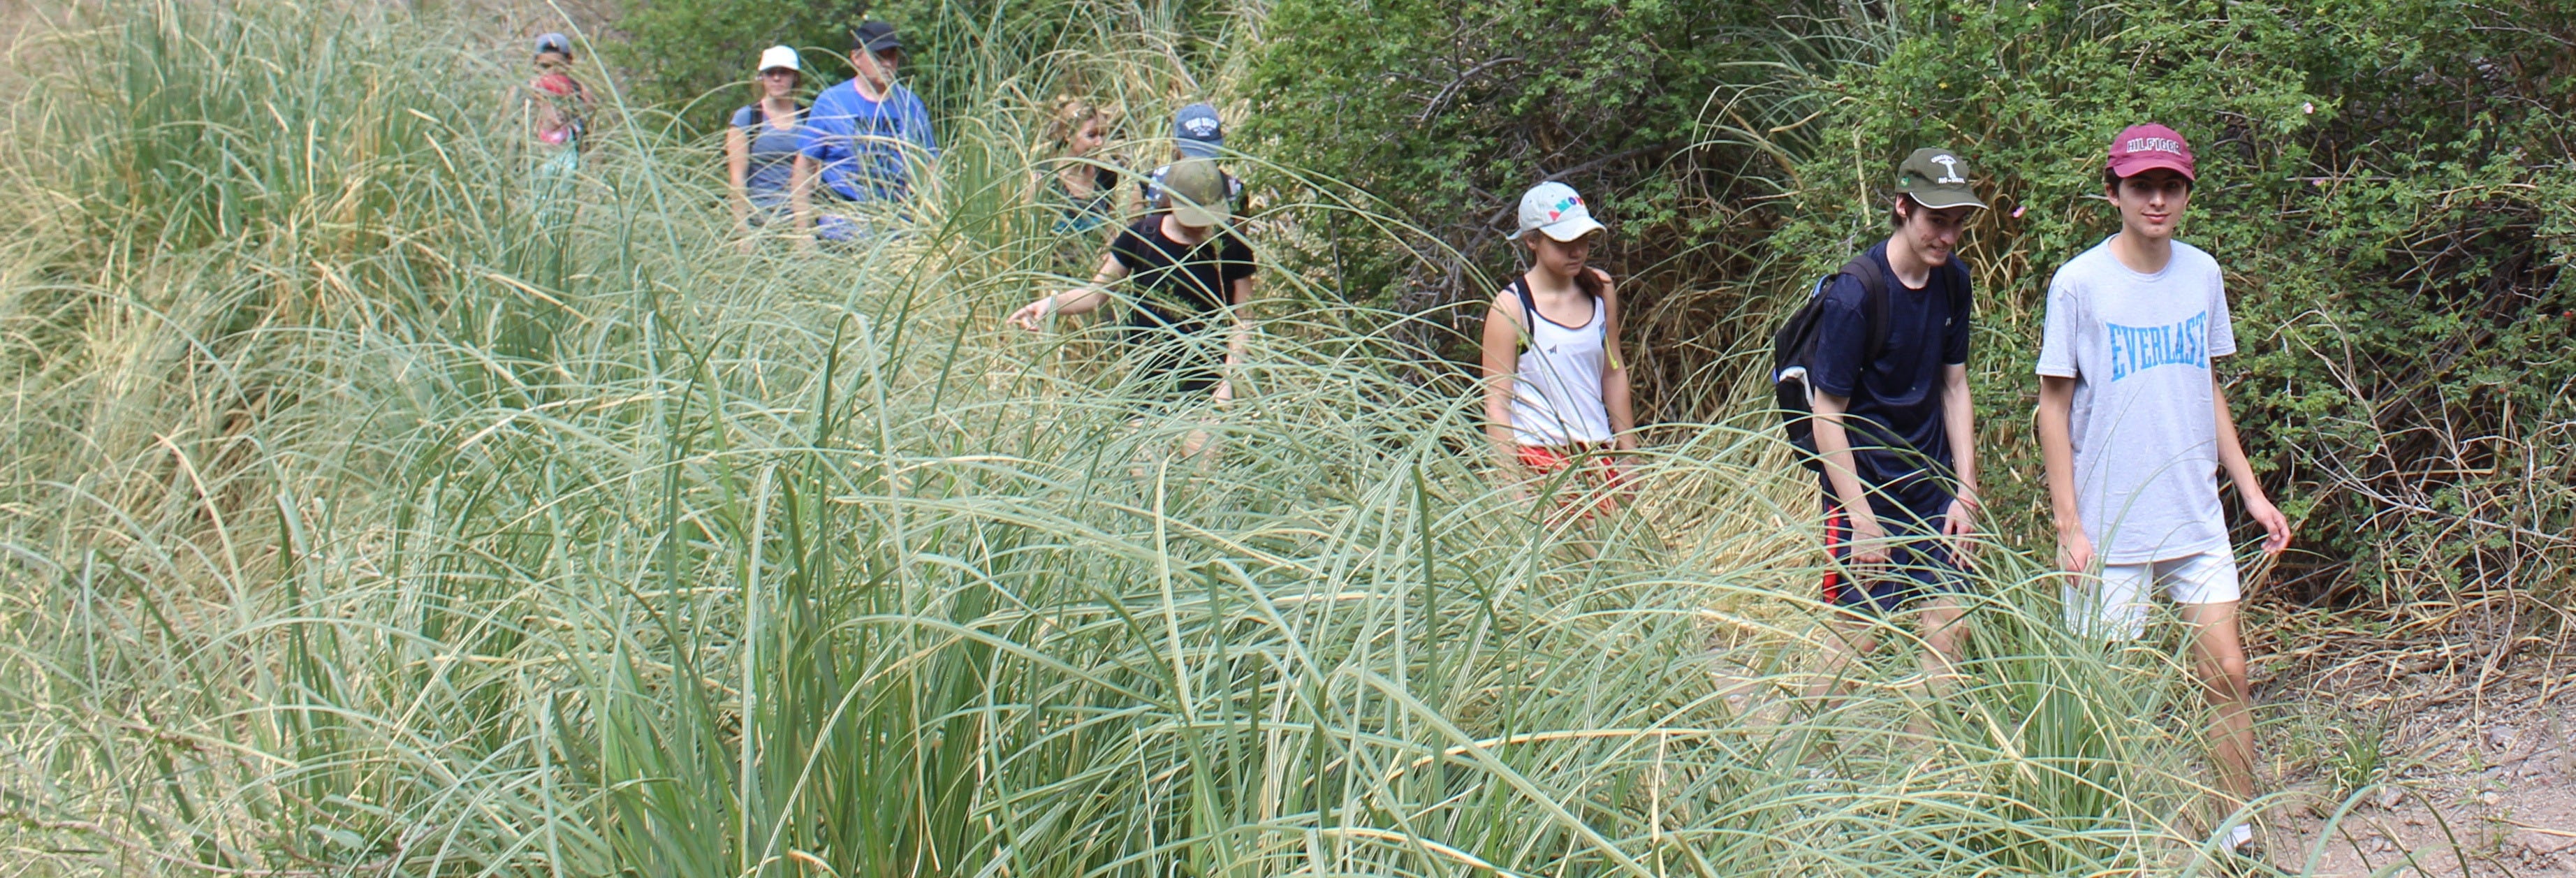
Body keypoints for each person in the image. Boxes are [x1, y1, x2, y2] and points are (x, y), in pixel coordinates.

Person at [2036, 123, 2292, 863]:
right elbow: (2052, 408)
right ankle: (2103, 839)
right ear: (2113, 191)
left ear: (2186, 195)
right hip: (2109, 527)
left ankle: (2236, 835)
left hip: (2193, 514)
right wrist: (2069, 525)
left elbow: (2202, 381)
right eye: (2140, 186)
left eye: (2169, 186)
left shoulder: (2201, 275)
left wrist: (2247, 490)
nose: (2155, 199)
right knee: (2106, 694)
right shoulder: (2078, 284)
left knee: (2228, 672)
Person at [1800, 148, 1987, 694]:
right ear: (1903, 208)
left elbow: (1955, 385)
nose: (1948, 236)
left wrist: (1966, 491)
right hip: (1864, 489)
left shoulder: (1954, 281)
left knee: (1948, 628)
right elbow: (1827, 413)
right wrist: (1861, 518)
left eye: (1957, 223)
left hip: (1932, 488)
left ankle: (1926, 768)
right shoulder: (1858, 292)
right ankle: (1802, 762)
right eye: (1936, 220)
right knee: (1857, 639)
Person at [1005, 159, 1254, 455]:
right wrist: (1051, 304)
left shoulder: (1230, 246)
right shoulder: (1141, 237)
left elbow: (1243, 320)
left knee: (1199, 483)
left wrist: (1227, 383)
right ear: (1170, 199)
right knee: (1144, 477)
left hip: (1205, 382)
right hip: (1148, 382)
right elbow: (1097, 293)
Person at [1478, 181, 1635, 518]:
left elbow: (1613, 370)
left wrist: (1629, 456)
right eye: (1564, 242)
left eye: (1583, 240)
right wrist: (1513, 491)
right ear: (1532, 241)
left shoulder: (1600, 289)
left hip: (1596, 454)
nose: (1576, 251)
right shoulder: (1511, 308)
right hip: (1539, 458)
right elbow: (1496, 403)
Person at [794, 20, 939, 241]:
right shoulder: (832, 102)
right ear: (856, 57)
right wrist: (803, 232)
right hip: (842, 226)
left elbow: (931, 166)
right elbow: (805, 165)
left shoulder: (912, 105)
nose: (887, 63)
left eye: (892, 56)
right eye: (878, 56)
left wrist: (933, 221)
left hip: (900, 226)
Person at [728, 45, 809, 244]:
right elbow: (737, 177)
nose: (777, 79)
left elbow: (815, 174)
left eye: (784, 73)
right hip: (758, 221)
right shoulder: (747, 118)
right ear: (762, 78)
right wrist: (742, 230)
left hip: (798, 221)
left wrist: (804, 229)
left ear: (795, 77)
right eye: (770, 73)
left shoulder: (809, 118)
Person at [520, 32, 597, 222]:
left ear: (569, 63)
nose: (551, 73)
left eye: (558, 66)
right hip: (533, 170)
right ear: (535, 65)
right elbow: (511, 137)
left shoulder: (582, 94)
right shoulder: (524, 93)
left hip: (568, 173)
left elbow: (591, 141)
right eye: (545, 66)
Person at [1037, 95, 1132, 240]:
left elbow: (1110, 234)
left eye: (1103, 135)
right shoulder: (1044, 177)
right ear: (1068, 135)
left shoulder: (1107, 178)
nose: (1099, 143)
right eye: (1091, 135)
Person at [1141, 103, 1241, 214]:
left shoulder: (1235, 190)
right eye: (1192, 156)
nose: (1202, 165)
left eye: (1210, 157)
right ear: (1176, 146)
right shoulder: (1148, 185)